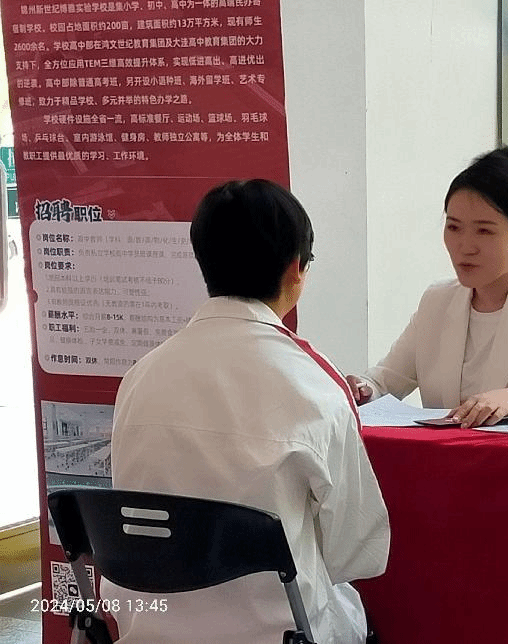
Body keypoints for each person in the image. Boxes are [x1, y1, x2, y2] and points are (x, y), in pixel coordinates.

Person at [102, 179, 390, 644]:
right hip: (280, 634)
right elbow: (358, 552)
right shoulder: (315, 385)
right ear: (296, 269)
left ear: (203, 261)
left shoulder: (140, 377)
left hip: (149, 631)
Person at [347, 146, 508, 428]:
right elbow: (384, 381)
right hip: (444, 455)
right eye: (453, 227)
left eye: (484, 231)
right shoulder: (437, 301)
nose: (465, 247)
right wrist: (362, 389)